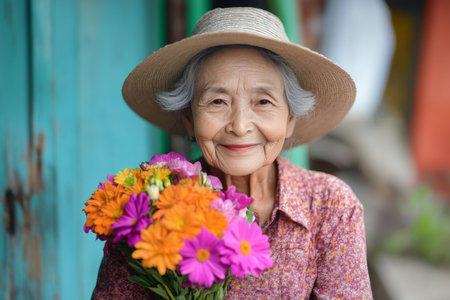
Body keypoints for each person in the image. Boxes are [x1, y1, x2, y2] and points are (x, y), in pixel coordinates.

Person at [92, 7, 373, 299]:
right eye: (217, 101)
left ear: (290, 120)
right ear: (189, 118)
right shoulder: (149, 210)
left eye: (263, 102)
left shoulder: (330, 208)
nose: (239, 127)